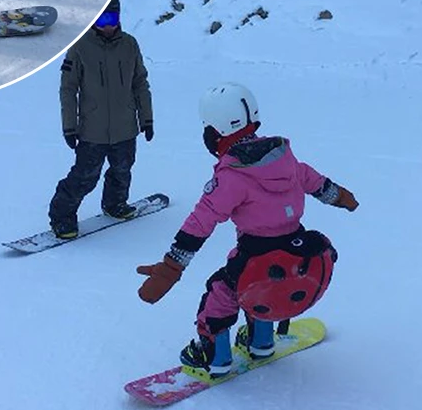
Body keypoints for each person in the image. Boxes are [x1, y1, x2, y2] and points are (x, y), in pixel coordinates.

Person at [136, 82, 358, 378]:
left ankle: (216, 358)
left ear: (215, 134)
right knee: (263, 285)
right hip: (296, 253)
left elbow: (200, 224)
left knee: (222, 294)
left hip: (257, 256)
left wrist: (170, 267)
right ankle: (262, 343)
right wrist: (341, 197)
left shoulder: (231, 178)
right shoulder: (284, 158)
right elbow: (317, 182)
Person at [47, 0, 152, 236]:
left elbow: (140, 83)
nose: (108, 25)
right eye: (103, 19)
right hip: (91, 129)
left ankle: (115, 204)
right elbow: (68, 89)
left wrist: (146, 118)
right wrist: (69, 126)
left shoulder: (130, 45)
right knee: (85, 176)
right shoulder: (80, 46)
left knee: (122, 169)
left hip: (125, 126)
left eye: (112, 18)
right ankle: (62, 217)